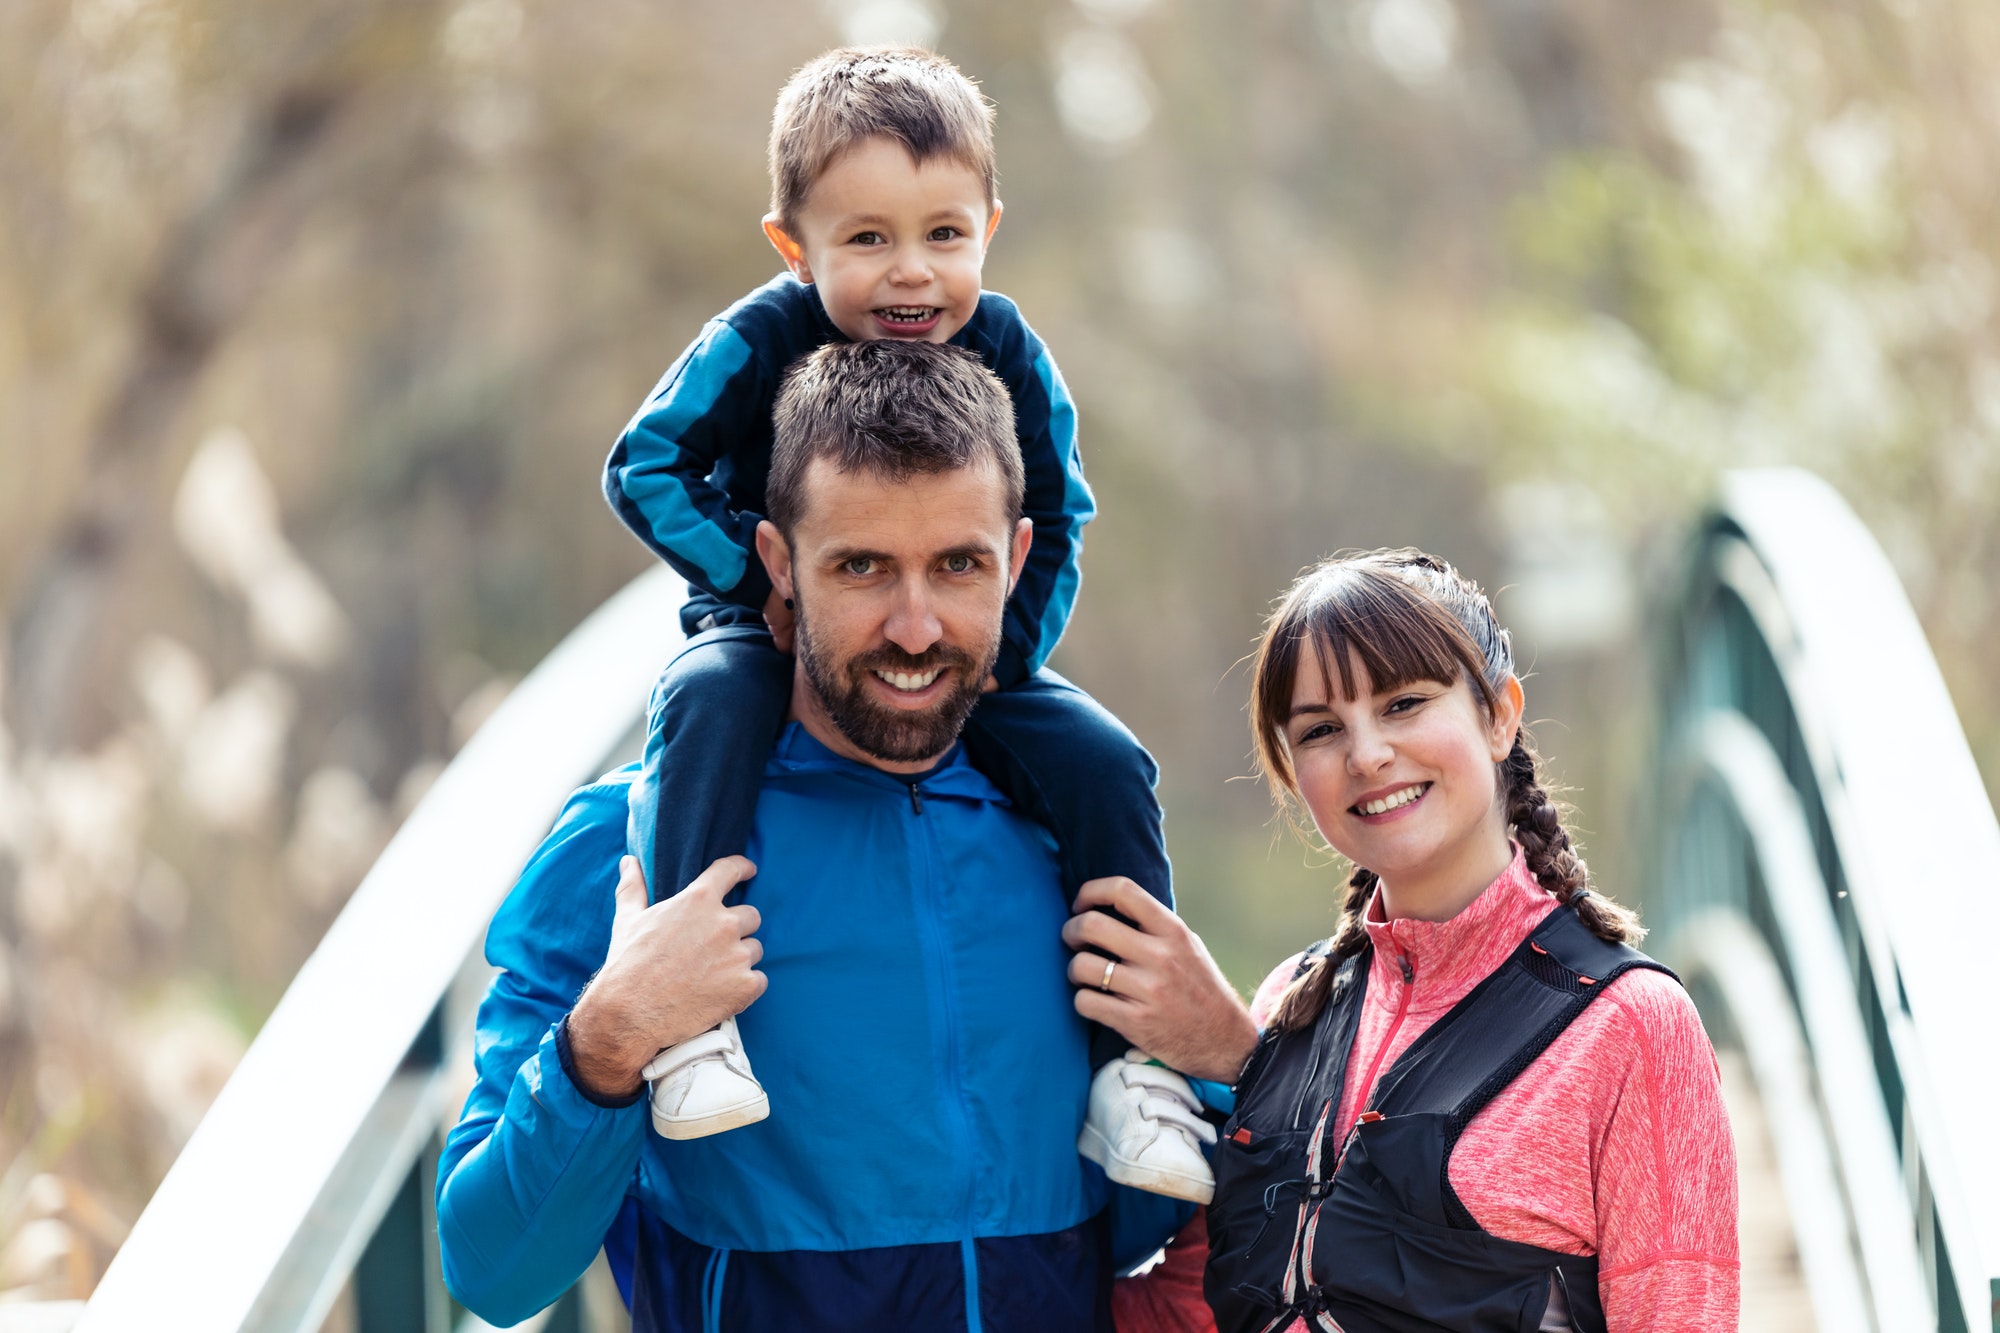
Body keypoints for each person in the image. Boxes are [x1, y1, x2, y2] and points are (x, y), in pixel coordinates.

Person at [437, 341, 1207, 1332]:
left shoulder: (1073, 835)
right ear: (777, 564)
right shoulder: (625, 849)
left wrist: (1218, 1067)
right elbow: (491, 1271)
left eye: (958, 565)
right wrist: (610, 1036)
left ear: (1016, 561)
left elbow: (1139, 1217)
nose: (917, 626)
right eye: (861, 567)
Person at [599, 44, 1205, 1201]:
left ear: (987, 223)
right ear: (794, 245)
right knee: (710, 701)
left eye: (942, 234)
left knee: (1101, 757)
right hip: (762, 619)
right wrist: (760, 585)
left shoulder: (1009, 350)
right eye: (865, 239)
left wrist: (1001, 663)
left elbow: (1059, 510)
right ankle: (690, 1024)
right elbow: (645, 465)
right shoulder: (759, 338)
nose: (909, 275)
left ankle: (1135, 1073)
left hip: (973, 648)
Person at [1064, 549, 1740, 1332]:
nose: (1366, 754)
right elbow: (1190, 1309)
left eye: (1403, 702)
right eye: (1321, 729)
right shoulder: (1291, 1000)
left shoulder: (1632, 1026)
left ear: (1498, 714)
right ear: (1292, 769)